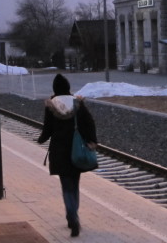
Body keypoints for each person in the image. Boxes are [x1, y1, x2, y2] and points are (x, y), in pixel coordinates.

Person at [37, 74, 97, 237]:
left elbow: (47, 128)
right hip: (76, 151)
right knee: (74, 184)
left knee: (66, 186)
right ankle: (74, 215)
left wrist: (41, 139)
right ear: (68, 87)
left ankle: (71, 216)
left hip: (59, 151)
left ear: (55, 89)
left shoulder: (51, 105)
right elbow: (89, 123)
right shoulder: (77, 103)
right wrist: (92, 141)